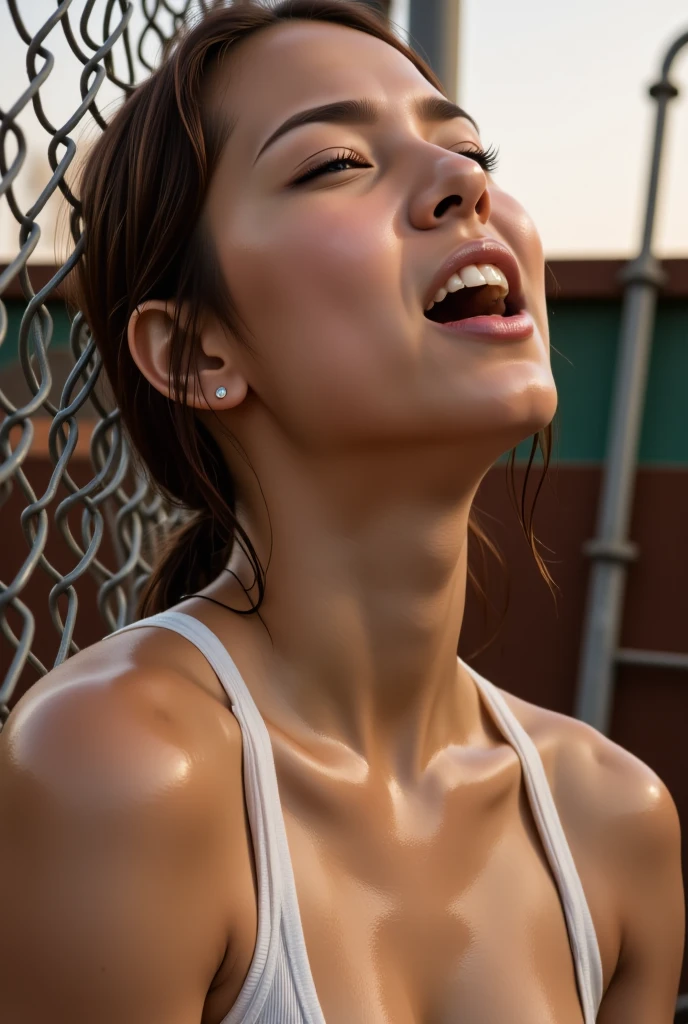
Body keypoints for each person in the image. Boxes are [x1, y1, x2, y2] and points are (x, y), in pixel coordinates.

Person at [0, 2, 683, 1022]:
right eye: (334, 164)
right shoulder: (116, 771)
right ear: (198, 353)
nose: (466, 183)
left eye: (465, 146)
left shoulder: (614, 817)